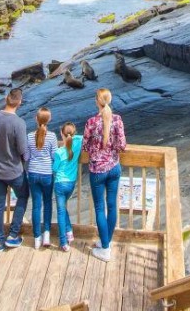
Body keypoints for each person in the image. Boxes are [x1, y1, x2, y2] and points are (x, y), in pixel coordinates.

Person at [84, 86, 126, 262]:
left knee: (100, 208)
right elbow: (122, 145)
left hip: (97, 171)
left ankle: (105, 248)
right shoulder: (117, 120)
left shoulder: (92, 122)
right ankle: (105, 242)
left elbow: (85, 146)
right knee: (111, 206)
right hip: (114, 168)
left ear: (97, 101)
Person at [0, 88, 30, 252]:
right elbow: (22, 149)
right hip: (14, 171)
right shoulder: (19, 123)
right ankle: (13, 234)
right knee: (23, 196)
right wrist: (28, 160)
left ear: (6, 99)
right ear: (19, 102)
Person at [26, 107, 56, 249]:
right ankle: (47, 233)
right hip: (47, 173)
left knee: (36, 205)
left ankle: (36, 237)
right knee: (48, 203)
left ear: (36, 119)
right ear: (49, 119)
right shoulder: (52, 136)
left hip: (32, 172)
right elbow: (54, 156)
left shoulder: (29, 136)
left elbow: (26, 155)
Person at [52, 121, 83, 252]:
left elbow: (54, 168)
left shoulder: (59, 152)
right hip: (71, 183)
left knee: (60, 211)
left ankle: (63, 241)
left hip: (59, 184)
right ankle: (69, 231)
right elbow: (81, 137)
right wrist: (73, 135)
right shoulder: (77, 144)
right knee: (63, 208)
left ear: (61, 134)